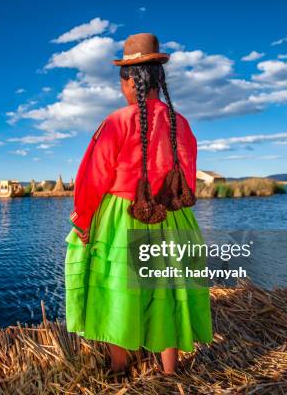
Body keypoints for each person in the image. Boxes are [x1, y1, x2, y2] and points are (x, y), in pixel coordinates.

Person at [65, 33, 213, 374]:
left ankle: (119, 366)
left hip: (122, 218)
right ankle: (170, 370)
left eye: (121, 83)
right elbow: (187, 182)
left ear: (130, 81)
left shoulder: (117, 121)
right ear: (159, 81)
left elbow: (92, 177)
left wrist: (84, 221)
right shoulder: (182, 125)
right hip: (173, 219)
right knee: (168, 290)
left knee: (118, 289)